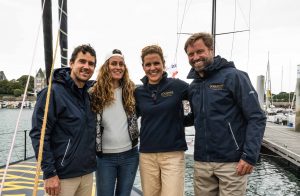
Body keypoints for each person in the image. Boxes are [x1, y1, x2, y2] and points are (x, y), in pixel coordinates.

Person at [184, 32, 266, 196]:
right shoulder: (193, 86)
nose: (195, 57)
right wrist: (168, 118)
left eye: (200, 51)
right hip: (202, 162)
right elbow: (196, 117)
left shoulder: (234, 76)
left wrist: (249, 156)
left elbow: (257, 117)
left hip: (232, 163)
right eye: (191, 54)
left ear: (211, 50)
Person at [30, 44, 97, 196]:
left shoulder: (89, 95)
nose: (86, 66)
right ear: (72, 63)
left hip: (86, 174)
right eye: (82, 61)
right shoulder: (52, 93)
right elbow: (39, 135)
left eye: (91, 63)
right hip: (62, 176)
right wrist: (49, 173)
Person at [135, 45, 189, 196]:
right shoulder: (138, 92)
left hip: (173, 155)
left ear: (163, 64)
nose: (153, 68)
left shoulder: (177, 86)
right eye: (148, 64)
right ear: (143, 67)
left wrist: (183, 121)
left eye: (156, 63)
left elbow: (201, 100)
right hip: (147, 155)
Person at [89, 49, 139, 196]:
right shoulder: (94, 92)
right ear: (106, 66)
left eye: (121, 64)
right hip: (105, 157)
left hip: (130, 155)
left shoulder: (131, 90)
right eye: (114, 63)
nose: (118, 67)